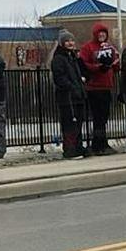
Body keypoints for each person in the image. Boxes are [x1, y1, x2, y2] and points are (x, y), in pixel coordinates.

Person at [77, 23, 119, 155]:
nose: (102, 35)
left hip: (106, 86)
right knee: (98, 117)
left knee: (104, 116)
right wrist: (98, 67)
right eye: (99, 33)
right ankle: (97, 144)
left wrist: (115, 64)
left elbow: (116, 66)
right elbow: (83, 65)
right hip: (94, 87)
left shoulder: (110, 47)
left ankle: (103, 142)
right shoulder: (87, 48)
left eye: (104, 33)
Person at [50, 30, 87, 158]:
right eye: (67, 41)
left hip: (77, 95)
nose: (71, 43)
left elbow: (80, 73)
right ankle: (70, 149)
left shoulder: (72, 57)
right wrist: (71, 88)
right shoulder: (59, 59)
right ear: (62, 43)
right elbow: (59, 77)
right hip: (67, 97)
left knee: (78, 123)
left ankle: (78, 146)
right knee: (69, 123)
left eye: (72, 40)